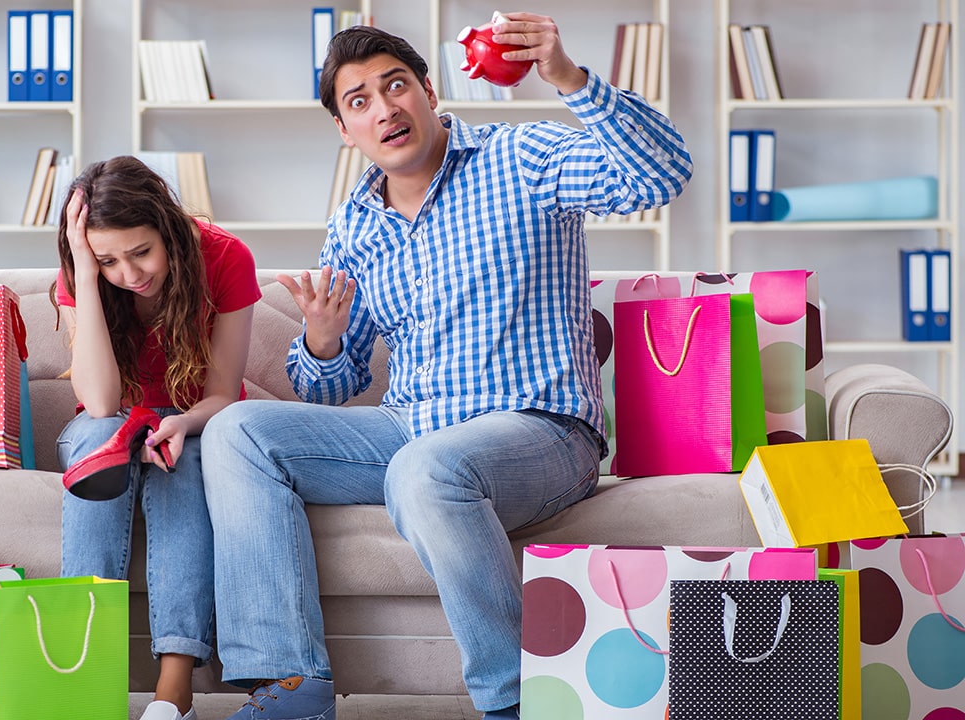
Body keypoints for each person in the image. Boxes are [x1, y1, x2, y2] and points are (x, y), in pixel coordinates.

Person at [200, 13, 692, 720]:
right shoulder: (355, 226)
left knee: (426, 470)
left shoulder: (521, 159)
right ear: (346, 130)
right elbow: (329, 388)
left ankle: (516, 702)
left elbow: (662, 174)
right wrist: (324, 340)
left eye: (395, 85)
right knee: (238, 431)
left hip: (541, 431)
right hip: (409, 427)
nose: (384, 107)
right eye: (359, 101)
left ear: (428, 91)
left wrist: (566, 77)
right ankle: (291, 685)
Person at [54, 155, 262, 720]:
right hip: (113, 418)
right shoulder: (86, 274)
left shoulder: (225, 257)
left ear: (168, 226)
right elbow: (97, 401)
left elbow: (221, 393)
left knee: (188, 465)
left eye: (141, 252)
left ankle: (174, 694)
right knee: (99, 445)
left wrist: (183, 423)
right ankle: (86, 682)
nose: (130, 274)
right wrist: (86, 274)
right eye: (109, 260)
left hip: (196, 418)